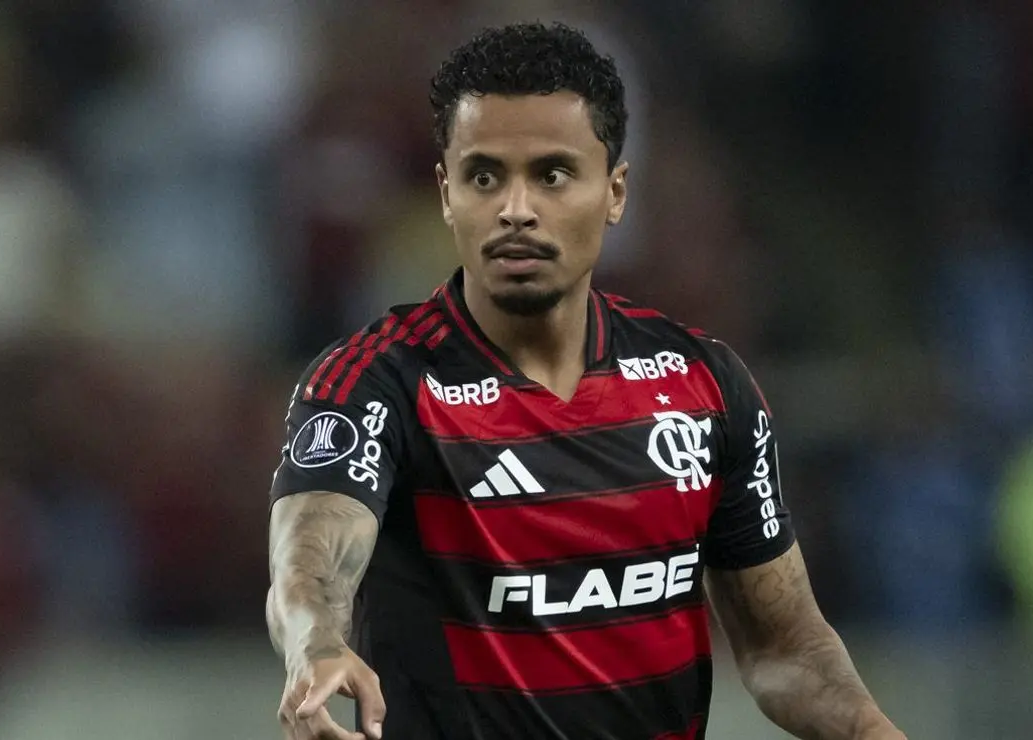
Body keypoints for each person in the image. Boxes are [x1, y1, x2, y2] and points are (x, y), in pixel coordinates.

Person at [266, 21, 906, 740]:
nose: (516, 209)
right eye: (484, 176)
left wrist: (870, 731)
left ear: (616, 191)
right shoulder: (377, 383)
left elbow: (785, 652)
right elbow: (312, 557)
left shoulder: (704, 384)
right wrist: (315, 641)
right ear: (446, 193)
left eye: (552, 175)